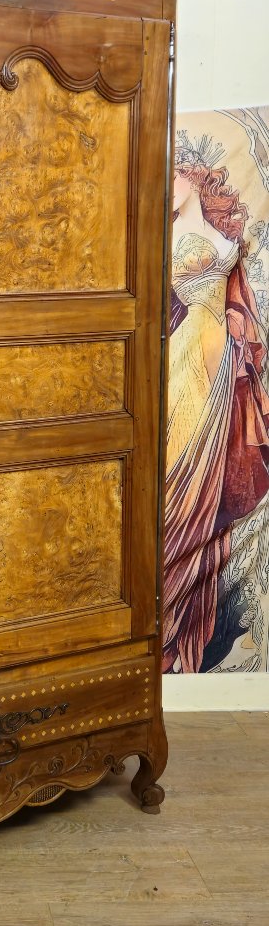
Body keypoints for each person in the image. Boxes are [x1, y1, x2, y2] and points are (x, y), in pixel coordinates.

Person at [164, 133, 269, 672]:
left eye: (177, 174)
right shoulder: (165, 235)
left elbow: (235, 292)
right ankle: (164, 595)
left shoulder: (215, 231)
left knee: (211, 477)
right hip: (185, 357)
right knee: (178, 471)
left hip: (220, 361)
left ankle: (189, 615)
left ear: (196, 176)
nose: (170, 185)